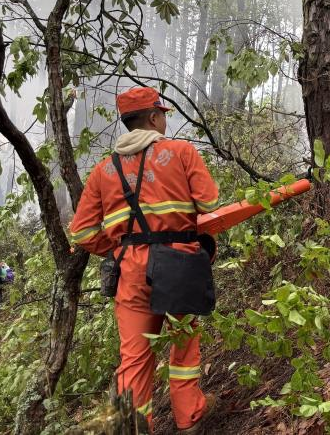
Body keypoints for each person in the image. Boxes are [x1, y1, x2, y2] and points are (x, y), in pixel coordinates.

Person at [69, 87, 220, 433]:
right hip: (179, 264)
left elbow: (80, 233)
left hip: (130, 271)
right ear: (154, 117)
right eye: (163, 113)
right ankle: (189, 420)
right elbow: (210, 203)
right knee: (183, 346)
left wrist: (119, 247)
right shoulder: (181, 152)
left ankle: (131, 429)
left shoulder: (103, 171)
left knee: (134, 358)